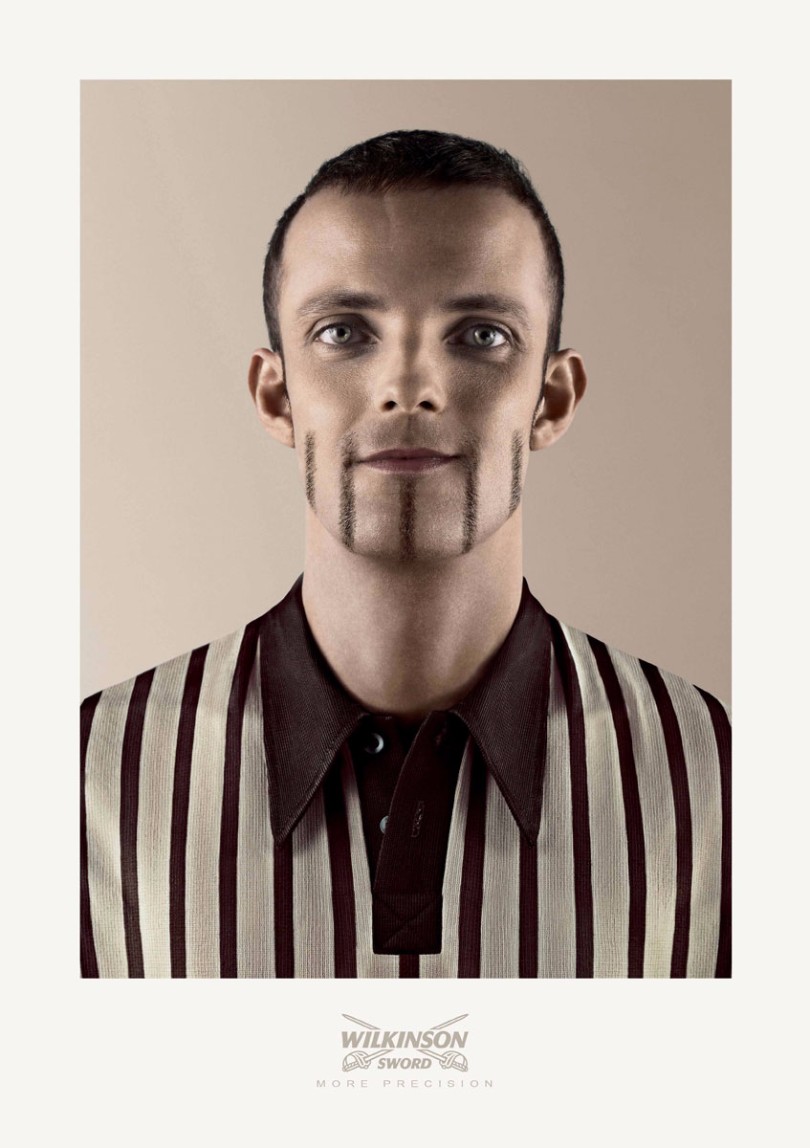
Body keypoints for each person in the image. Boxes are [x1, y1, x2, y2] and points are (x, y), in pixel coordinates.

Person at [81, 129, 730, 979]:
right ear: (276, 396)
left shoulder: (715, 776)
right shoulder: (91, 778)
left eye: (482, 335)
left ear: (552, 398)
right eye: (345, 332)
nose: (409, 385)